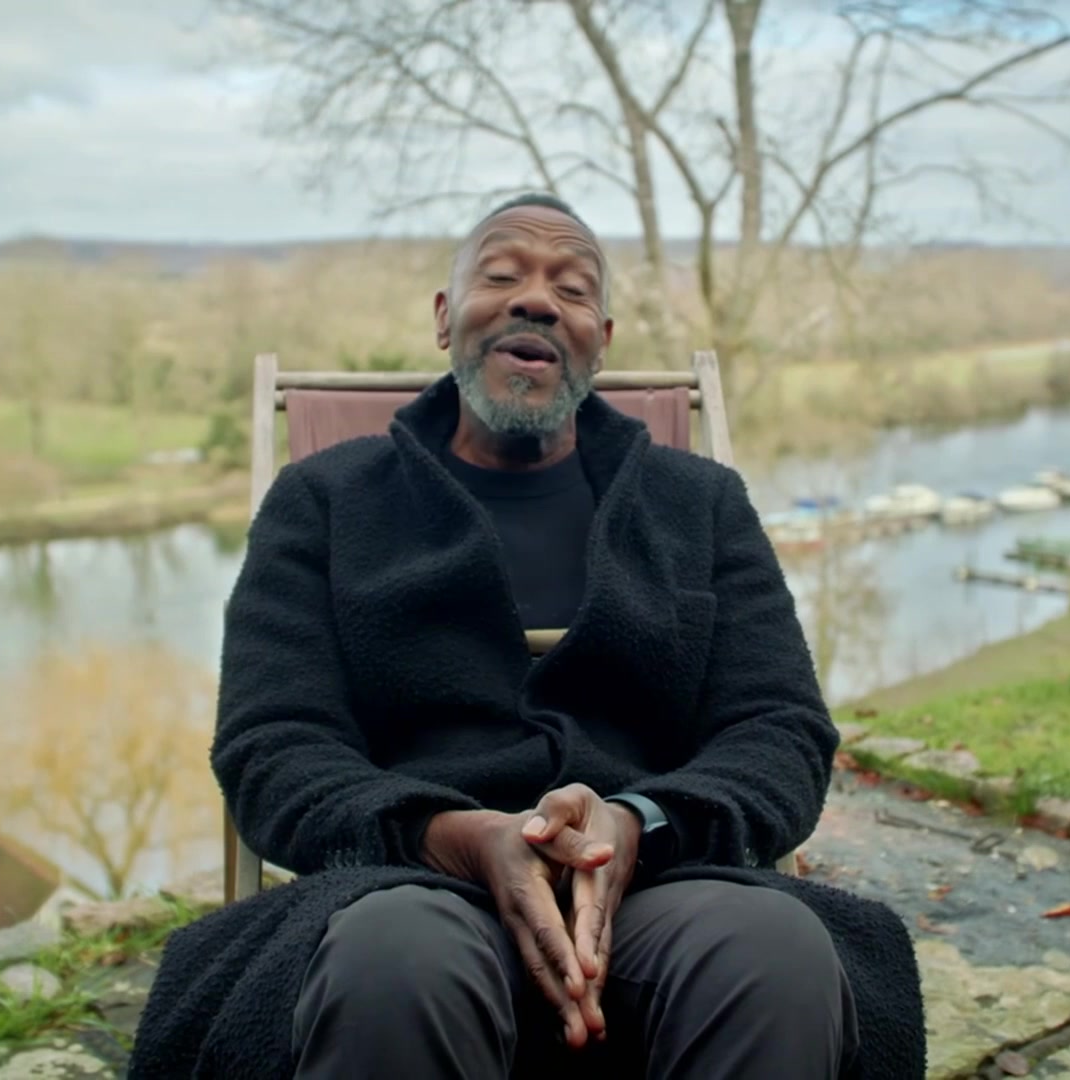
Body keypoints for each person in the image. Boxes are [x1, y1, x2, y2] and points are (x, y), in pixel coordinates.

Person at [130, 194, 924, 1080]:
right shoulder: (324, 500)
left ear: (600, 340)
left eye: (573, 289)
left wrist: (638, 826)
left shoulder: (699, 503)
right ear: (445, 317)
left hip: (659, 886)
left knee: (775, 953)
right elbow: (271, 745)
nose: (537, 300)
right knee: (394, 964)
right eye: (502, 275)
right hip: (406, 885)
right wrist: (454, 836)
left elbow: (780, 731)